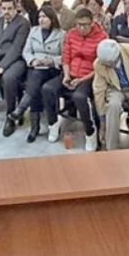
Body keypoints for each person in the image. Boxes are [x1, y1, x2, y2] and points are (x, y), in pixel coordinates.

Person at [43, 8, 106, 151]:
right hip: (70, 72)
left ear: (92, 23)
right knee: (47, 89)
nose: (81, 28)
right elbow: (66, 58)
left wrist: (82, 80)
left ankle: (90, 132)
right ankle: (53, 124)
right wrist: (66, 75)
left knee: (79, 97)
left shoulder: (102, 37)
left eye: (85, 25)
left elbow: (101, 66)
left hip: (90, 75)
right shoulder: (71, 34)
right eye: (79, 25)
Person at [7, 6, 66, 142]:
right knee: (35, 83)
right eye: (39, 17)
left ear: (52, 18)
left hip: (52, 69)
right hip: (35, 67)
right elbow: (26, 51)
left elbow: (65, 56)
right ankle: (33, 125)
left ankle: (23, 113)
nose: (41, 19)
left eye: (44, 17)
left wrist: (51, 60)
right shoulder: (33, 31)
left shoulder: (62, 34)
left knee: (34, 80)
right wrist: (32, 60)